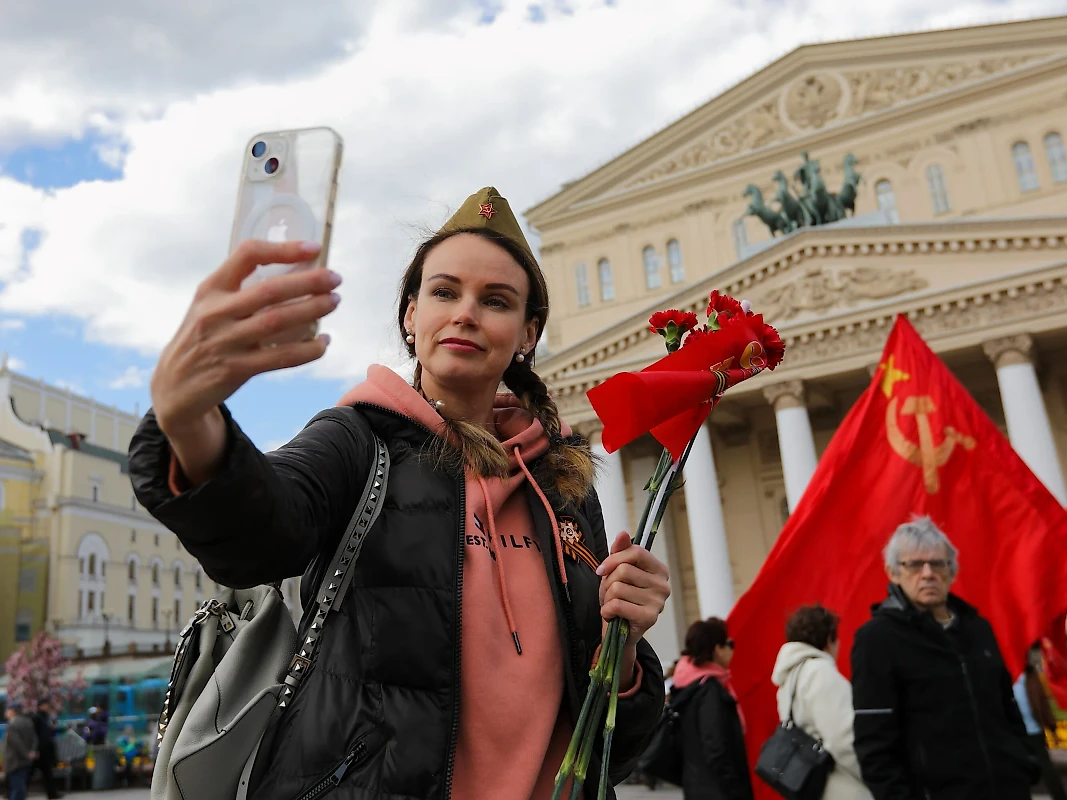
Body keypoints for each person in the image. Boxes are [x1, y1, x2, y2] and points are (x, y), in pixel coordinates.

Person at [128, 187, 668, 799]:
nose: (466, 312)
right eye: (444, 292)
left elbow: (614, 746)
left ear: (527, 332)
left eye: (496, 300)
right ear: (411, 316)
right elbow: (263, 531)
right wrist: (190, 419)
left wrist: (622, 648)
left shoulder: (563, 482)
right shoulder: (359, 439)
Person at [851, 517, 1038, 800]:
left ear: (951, 571)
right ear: (893, 573)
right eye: (914, 565)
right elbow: (874, 744)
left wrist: (1022, 764)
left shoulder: (978, 629)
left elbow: (1006, 708)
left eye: (937, 564)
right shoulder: (877, 639)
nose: (927, 574)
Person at [772, 604, 871, 800]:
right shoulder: (820, 672)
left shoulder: (790, 677)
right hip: (844, 789)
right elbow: (844, 740)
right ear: (828, 640)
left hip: (814, 787)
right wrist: (878, 775)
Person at [671, 618, 752, 800]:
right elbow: (716, 748)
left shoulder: (688, 687)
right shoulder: (710, 691)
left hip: (696, 786)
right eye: (728, 644)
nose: (731, 649)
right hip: (718, 791)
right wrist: (737, 791)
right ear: (717, 649)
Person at [1013, 649, 1067, 800]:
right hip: (1015, 734)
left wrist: (1052, 727)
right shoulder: (1004, 676)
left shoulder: (1030, 676)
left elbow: (1043, 703)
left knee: (1047, 769)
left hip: (1034, 731)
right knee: (1017, 772)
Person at [3, 703, 39, 800]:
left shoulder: (13, 724)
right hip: (25, 762)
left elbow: (16, 742)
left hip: (13, 761)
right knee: (20, 787)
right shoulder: (28, 722)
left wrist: (26, 754)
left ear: (13, 711)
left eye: (7, 710)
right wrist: (32, 751)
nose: (5, 712)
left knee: (17, 789)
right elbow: (34, 738)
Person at [30, 698, 61, 800]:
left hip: (45, 751)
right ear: (40, 706)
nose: (48, 707)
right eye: (46, 705)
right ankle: (15, 792)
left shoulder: (45, 718)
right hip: (40, 751)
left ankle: (52, 794)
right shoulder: (37, 718)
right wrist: (35, 749)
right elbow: (35, 735)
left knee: (47, 773)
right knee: (29, 773)